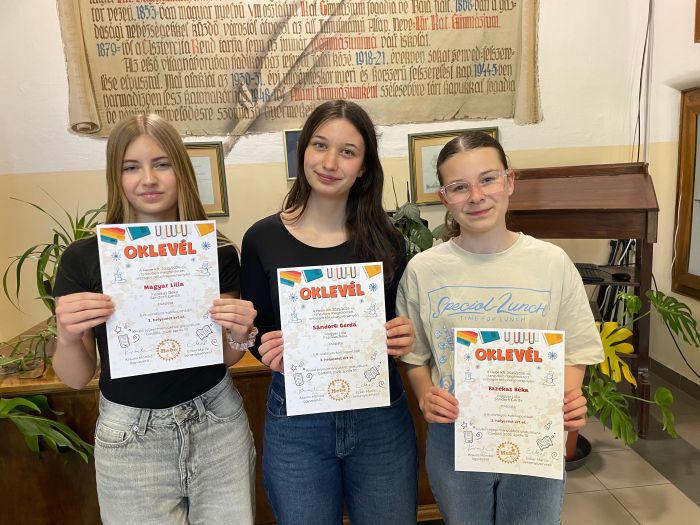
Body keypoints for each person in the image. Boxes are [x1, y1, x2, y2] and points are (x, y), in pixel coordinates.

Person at [52, 114, 257, 524]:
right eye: (131, 167)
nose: (148, 179)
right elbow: (76, 377)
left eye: (162, 164)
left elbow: (224, 356)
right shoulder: (84, 258)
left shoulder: (216, 252)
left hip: (216, 423)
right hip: (131, 437)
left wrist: (239, 333)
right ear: (116, 177)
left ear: (182, 171)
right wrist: (68, 336)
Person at [396, 132, 604, 525]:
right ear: (444, 198)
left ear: (509, 181)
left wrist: (568, 396)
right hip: (456, 435)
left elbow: (576, 349)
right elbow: (415, 354)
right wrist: (424, 396)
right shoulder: (424, 270)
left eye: (488, 179)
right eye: (459, 187)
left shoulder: (552, 263)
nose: (476, 196)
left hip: (532, 433)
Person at [240, 100, 418, 525]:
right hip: (297, 419)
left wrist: (403, 335)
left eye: (347, 151)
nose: (330, 162)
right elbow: (256, 333)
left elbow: (394, 325)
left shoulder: (387, 240)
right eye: (320, 145)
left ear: (364, 167)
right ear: (302, 150)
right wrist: (265, 348)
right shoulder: (262, 239)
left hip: (379, 415)